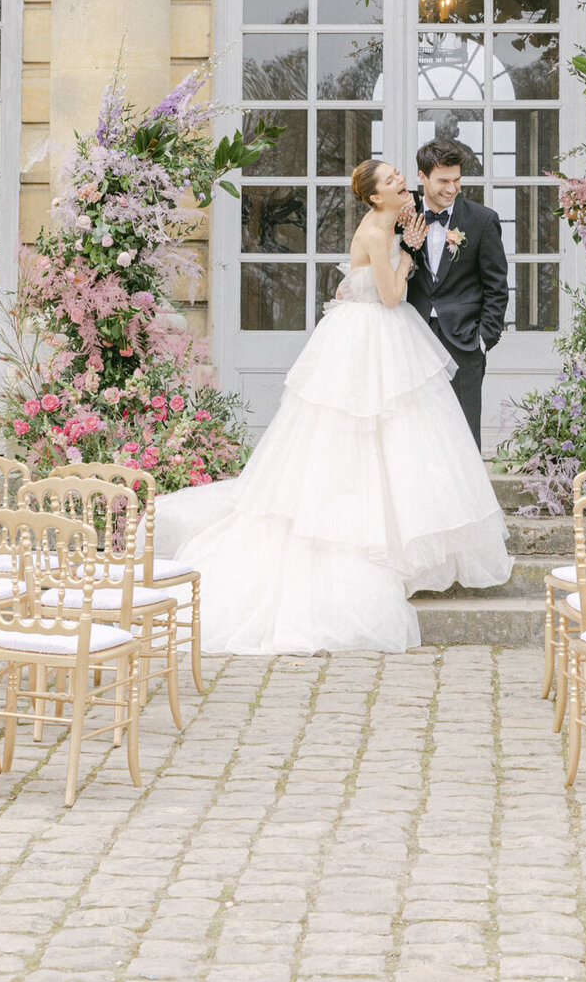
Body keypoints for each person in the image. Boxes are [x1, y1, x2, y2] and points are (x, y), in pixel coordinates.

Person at [152, 159, 512, 654]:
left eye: (399, 176)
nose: (401, 182)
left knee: (400, 437)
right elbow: (391, 296)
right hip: (371, 336)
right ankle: (369, 542)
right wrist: (407, 253)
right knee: (359, 432)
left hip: (379, 334)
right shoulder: (374, 229)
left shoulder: (390, 219)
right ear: (373, 197)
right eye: (391, 181)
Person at [401, 139, 510, 452]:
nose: (452, 189)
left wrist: (484, 337)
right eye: (443, 181)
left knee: (463, 430)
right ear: (422, 177)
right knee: (415, 426)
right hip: (414, 336)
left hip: (464, 339)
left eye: (457, 180)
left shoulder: (482, 220)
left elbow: (497, 285)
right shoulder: (403, 217)